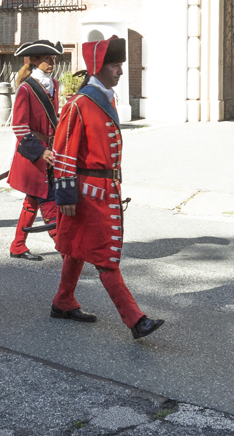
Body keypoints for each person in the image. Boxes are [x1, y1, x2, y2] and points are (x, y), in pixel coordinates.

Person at [50, 36, 164, 340]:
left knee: (77, 248)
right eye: (115, 65)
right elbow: (63, 152)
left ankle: (63, 302)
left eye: (120, 65)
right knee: (105, 256)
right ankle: (136, 320)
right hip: (88, 191)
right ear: (99, 66)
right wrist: (65, 194)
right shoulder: (79, 104)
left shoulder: (105, 99)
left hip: (105, 187)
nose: (120, 72)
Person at [6, 39, 64, 261]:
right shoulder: (26, 88)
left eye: (53, 58)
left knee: (32, 201)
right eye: (48, 58)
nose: (52, 62)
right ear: (36, 61)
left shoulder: (55, 85)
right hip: (34, 154)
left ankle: (18, 245)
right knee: (49, 200)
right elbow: (19, 126)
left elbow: (54, 121)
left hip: (50, 151)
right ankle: (65, 248)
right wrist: (40, 151)